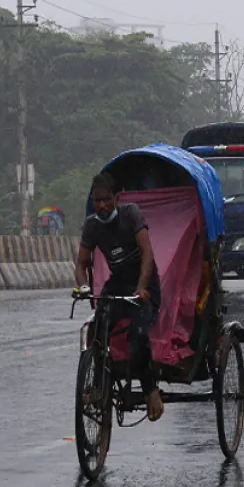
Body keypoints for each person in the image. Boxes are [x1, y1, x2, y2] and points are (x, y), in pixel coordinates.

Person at [75, 172, 164, 421]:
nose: (102, 206)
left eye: (106, 200)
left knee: (136, 335)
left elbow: (147, 254)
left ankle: (151, 390)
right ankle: (99, 384)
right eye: (97, 201)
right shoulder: (92, 226)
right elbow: (82, 263)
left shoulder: (131, 214)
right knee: (96, 328)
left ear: (117, 198)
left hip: (145, 285)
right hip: (117, 285)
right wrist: (83, 287)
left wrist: (142, 287)